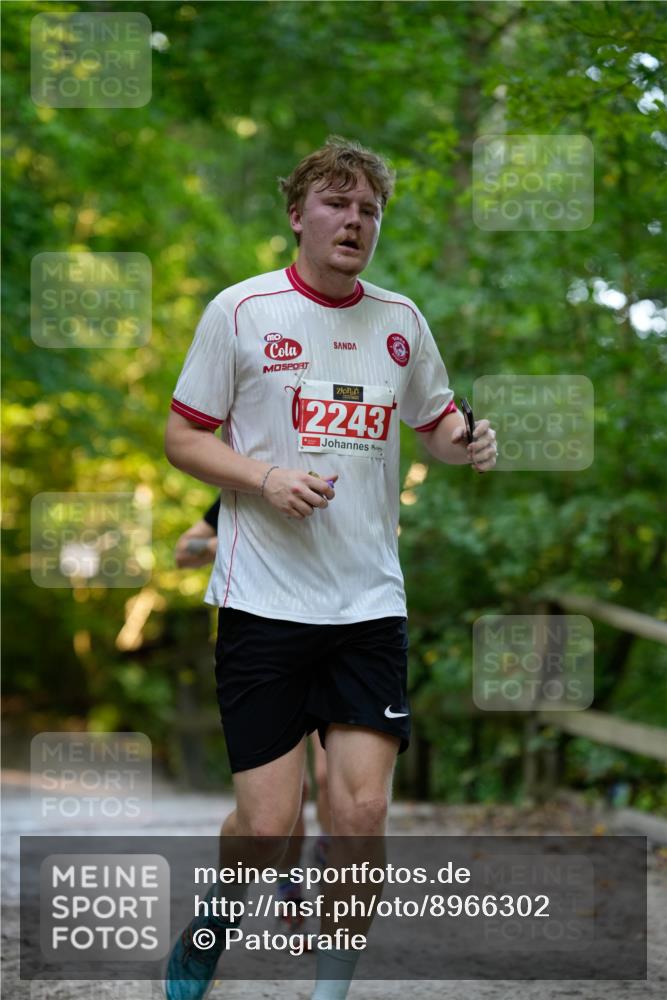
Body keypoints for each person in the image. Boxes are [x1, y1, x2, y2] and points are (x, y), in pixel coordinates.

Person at [163, 135, 497, 1000]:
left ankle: (330, 991)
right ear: (296, 214)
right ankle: (214, 920)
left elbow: (436, 425)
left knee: (360, 813)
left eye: (369, 210)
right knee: (269, 827)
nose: (354, 221)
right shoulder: (241, 311)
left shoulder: (401, 321)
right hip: (263, 601)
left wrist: (467, 441)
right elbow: (183, 438)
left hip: (365, 604)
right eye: (337, 203)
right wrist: (264, 478)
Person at [174, 499, 332, 926]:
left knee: (330, 777)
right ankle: (289, 882)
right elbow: (183, 551)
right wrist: (225, 541)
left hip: (341, 631)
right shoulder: (244, 493)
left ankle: (331, 850)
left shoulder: (341, 479)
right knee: (294, 791)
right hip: (268, 640)